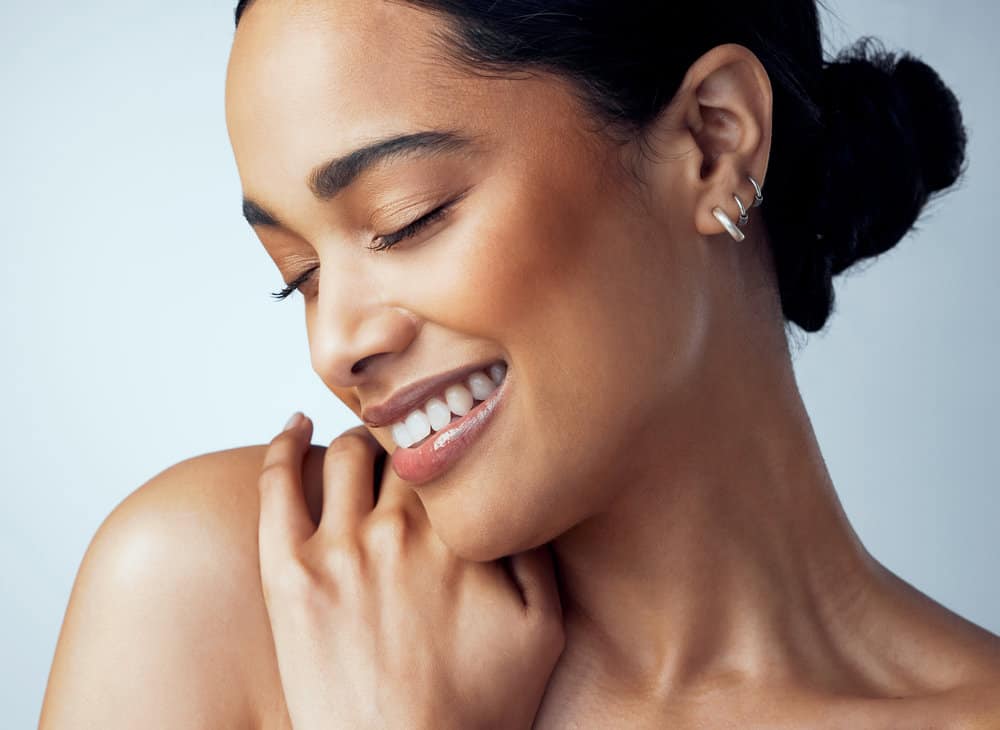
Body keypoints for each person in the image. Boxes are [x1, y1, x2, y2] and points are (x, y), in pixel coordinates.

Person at [40, 0, 1000, 727]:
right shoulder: (216, 596)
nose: (336, 345)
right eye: (297, 274)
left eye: (404, 218)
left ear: (714, 140)